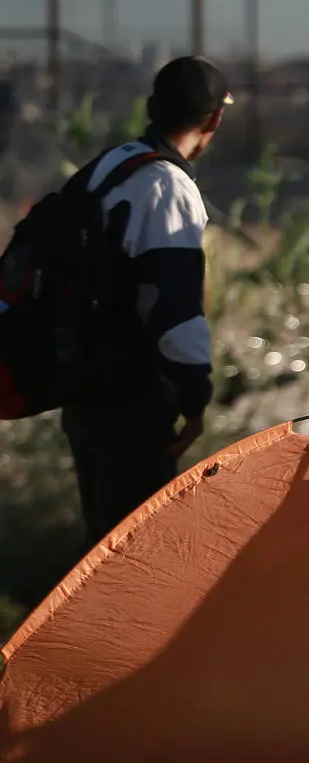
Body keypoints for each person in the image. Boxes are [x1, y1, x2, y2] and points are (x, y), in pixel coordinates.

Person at [62, 56, 226, 543]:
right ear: (214, 120)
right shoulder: (166, 186)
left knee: (101, 550)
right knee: (136, 557)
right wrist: (195, 396)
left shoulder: (108, 167)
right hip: (131, 400)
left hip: (81, 386)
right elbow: (173, 311)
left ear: (152, 108)